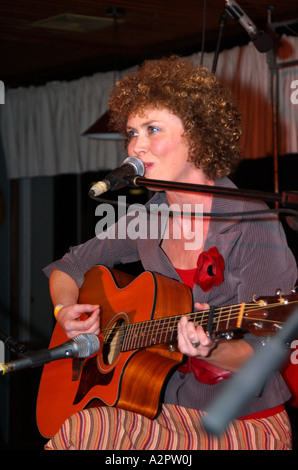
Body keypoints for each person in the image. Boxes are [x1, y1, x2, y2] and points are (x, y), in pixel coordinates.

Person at [43, 56, 297, 450]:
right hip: (161, 411)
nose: (136, 146)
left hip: (242, 421)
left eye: (152, 129)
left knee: (87, 431)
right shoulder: (149, 216)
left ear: (197, 137)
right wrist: (65, 311)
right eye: (131, 132)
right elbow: (70, 264)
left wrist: (211, 348)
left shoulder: (253, 224)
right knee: (80, 428)